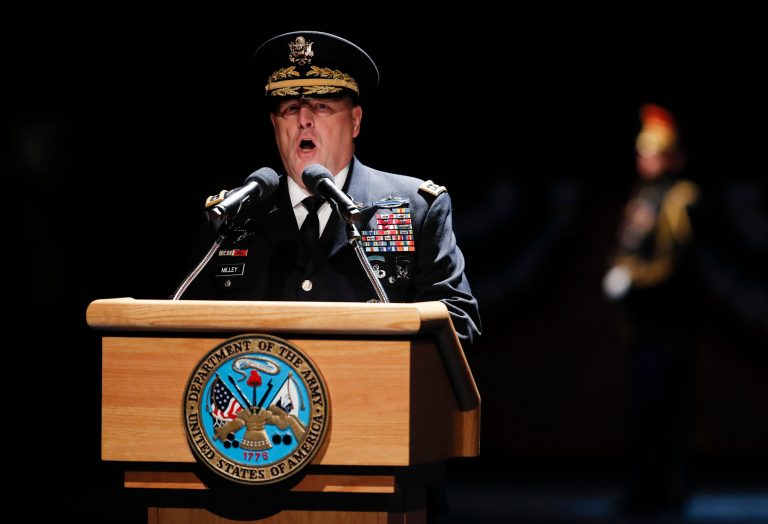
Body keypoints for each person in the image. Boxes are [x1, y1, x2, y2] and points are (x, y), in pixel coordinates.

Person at [176, 30, 481, 353]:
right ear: (274, 125)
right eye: (290, 108)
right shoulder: (232, 216)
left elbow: (458, 324)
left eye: (321, 106)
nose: (304, 120)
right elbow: (184, 326)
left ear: (355, 122)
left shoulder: (416, 208)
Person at [602, 103, 701, 515]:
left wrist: (633, 278)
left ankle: (667, 491)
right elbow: (626, 246)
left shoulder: (680, 199)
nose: (644, 158)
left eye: (653, 151)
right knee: (642, 413)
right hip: (640, 328)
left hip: (666, 326)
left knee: (666, 414)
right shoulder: (642, 196)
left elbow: (675, 265)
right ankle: (644, 488)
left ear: (671, 156)